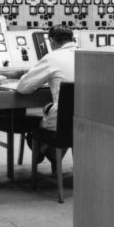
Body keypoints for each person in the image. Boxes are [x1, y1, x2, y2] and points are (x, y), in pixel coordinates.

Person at [16, 23, 77, 169]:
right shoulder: (88, 55)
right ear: (72, 39)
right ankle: (53, 154)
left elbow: (23, 88)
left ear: (52, 41)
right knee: (66, 126)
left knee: (40, 124)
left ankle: (44, 150)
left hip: (62, 122)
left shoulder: (52, 57)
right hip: (89, 120)